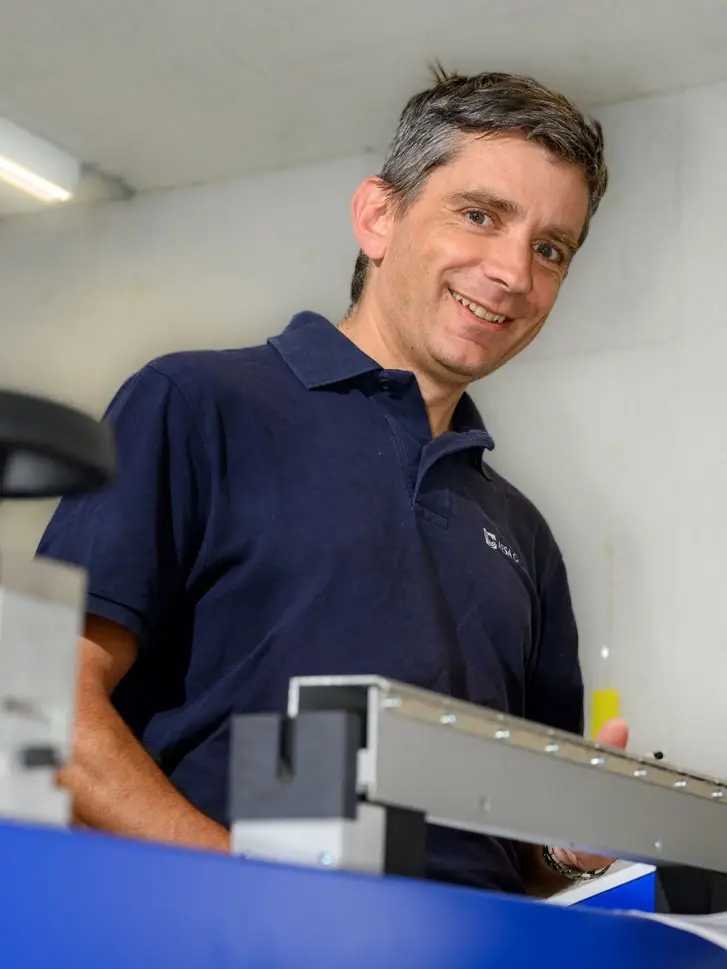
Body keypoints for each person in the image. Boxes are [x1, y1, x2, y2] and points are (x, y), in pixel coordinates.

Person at [37, 67, 628, 896]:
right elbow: (42, 701)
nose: (512, 272)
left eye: (549, 249)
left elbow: (521, 851)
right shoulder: (197, 404)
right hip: (214, 935)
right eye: (479, 215)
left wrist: (570, 849)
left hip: (478, 944)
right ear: (378, 216)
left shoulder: (522, 533)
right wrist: (252, 893)